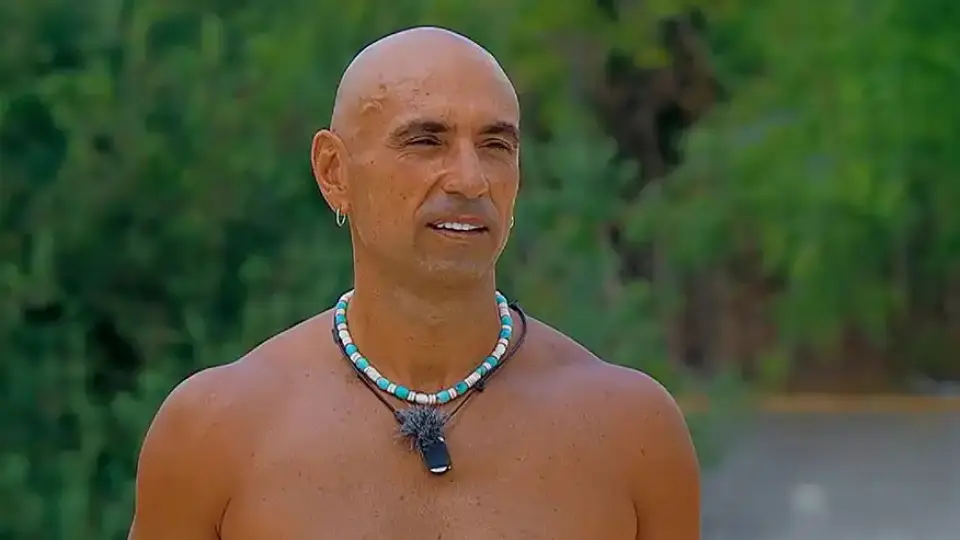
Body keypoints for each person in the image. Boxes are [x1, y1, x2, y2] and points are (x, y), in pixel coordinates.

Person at [127, 26, 700, 540]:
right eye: (426, 141)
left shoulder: (629, 432)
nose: (471, 179)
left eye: (495, 145)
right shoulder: (216, 432)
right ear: (334, 172)